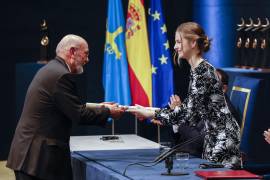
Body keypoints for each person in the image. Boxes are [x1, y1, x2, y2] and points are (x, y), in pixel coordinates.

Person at [6, 34, 125, 180]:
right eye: (86, 54)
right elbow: (78, 115)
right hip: (38, 160)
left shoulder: (52, 69)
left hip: (31, 155)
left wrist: (98, 107)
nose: (87, 60)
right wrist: (108, 112)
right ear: (72, 51)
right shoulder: (61, 75)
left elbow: (66, 106)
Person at [128, 22, 241, 168]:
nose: (175, 47)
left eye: (179, 42)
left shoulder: (203, 72)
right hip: (213, 144)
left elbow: (183, 114)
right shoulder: (198, 70)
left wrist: (149, 113)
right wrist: (149, 110)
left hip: (223, 146)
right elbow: (190, 113)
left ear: (193, 42)